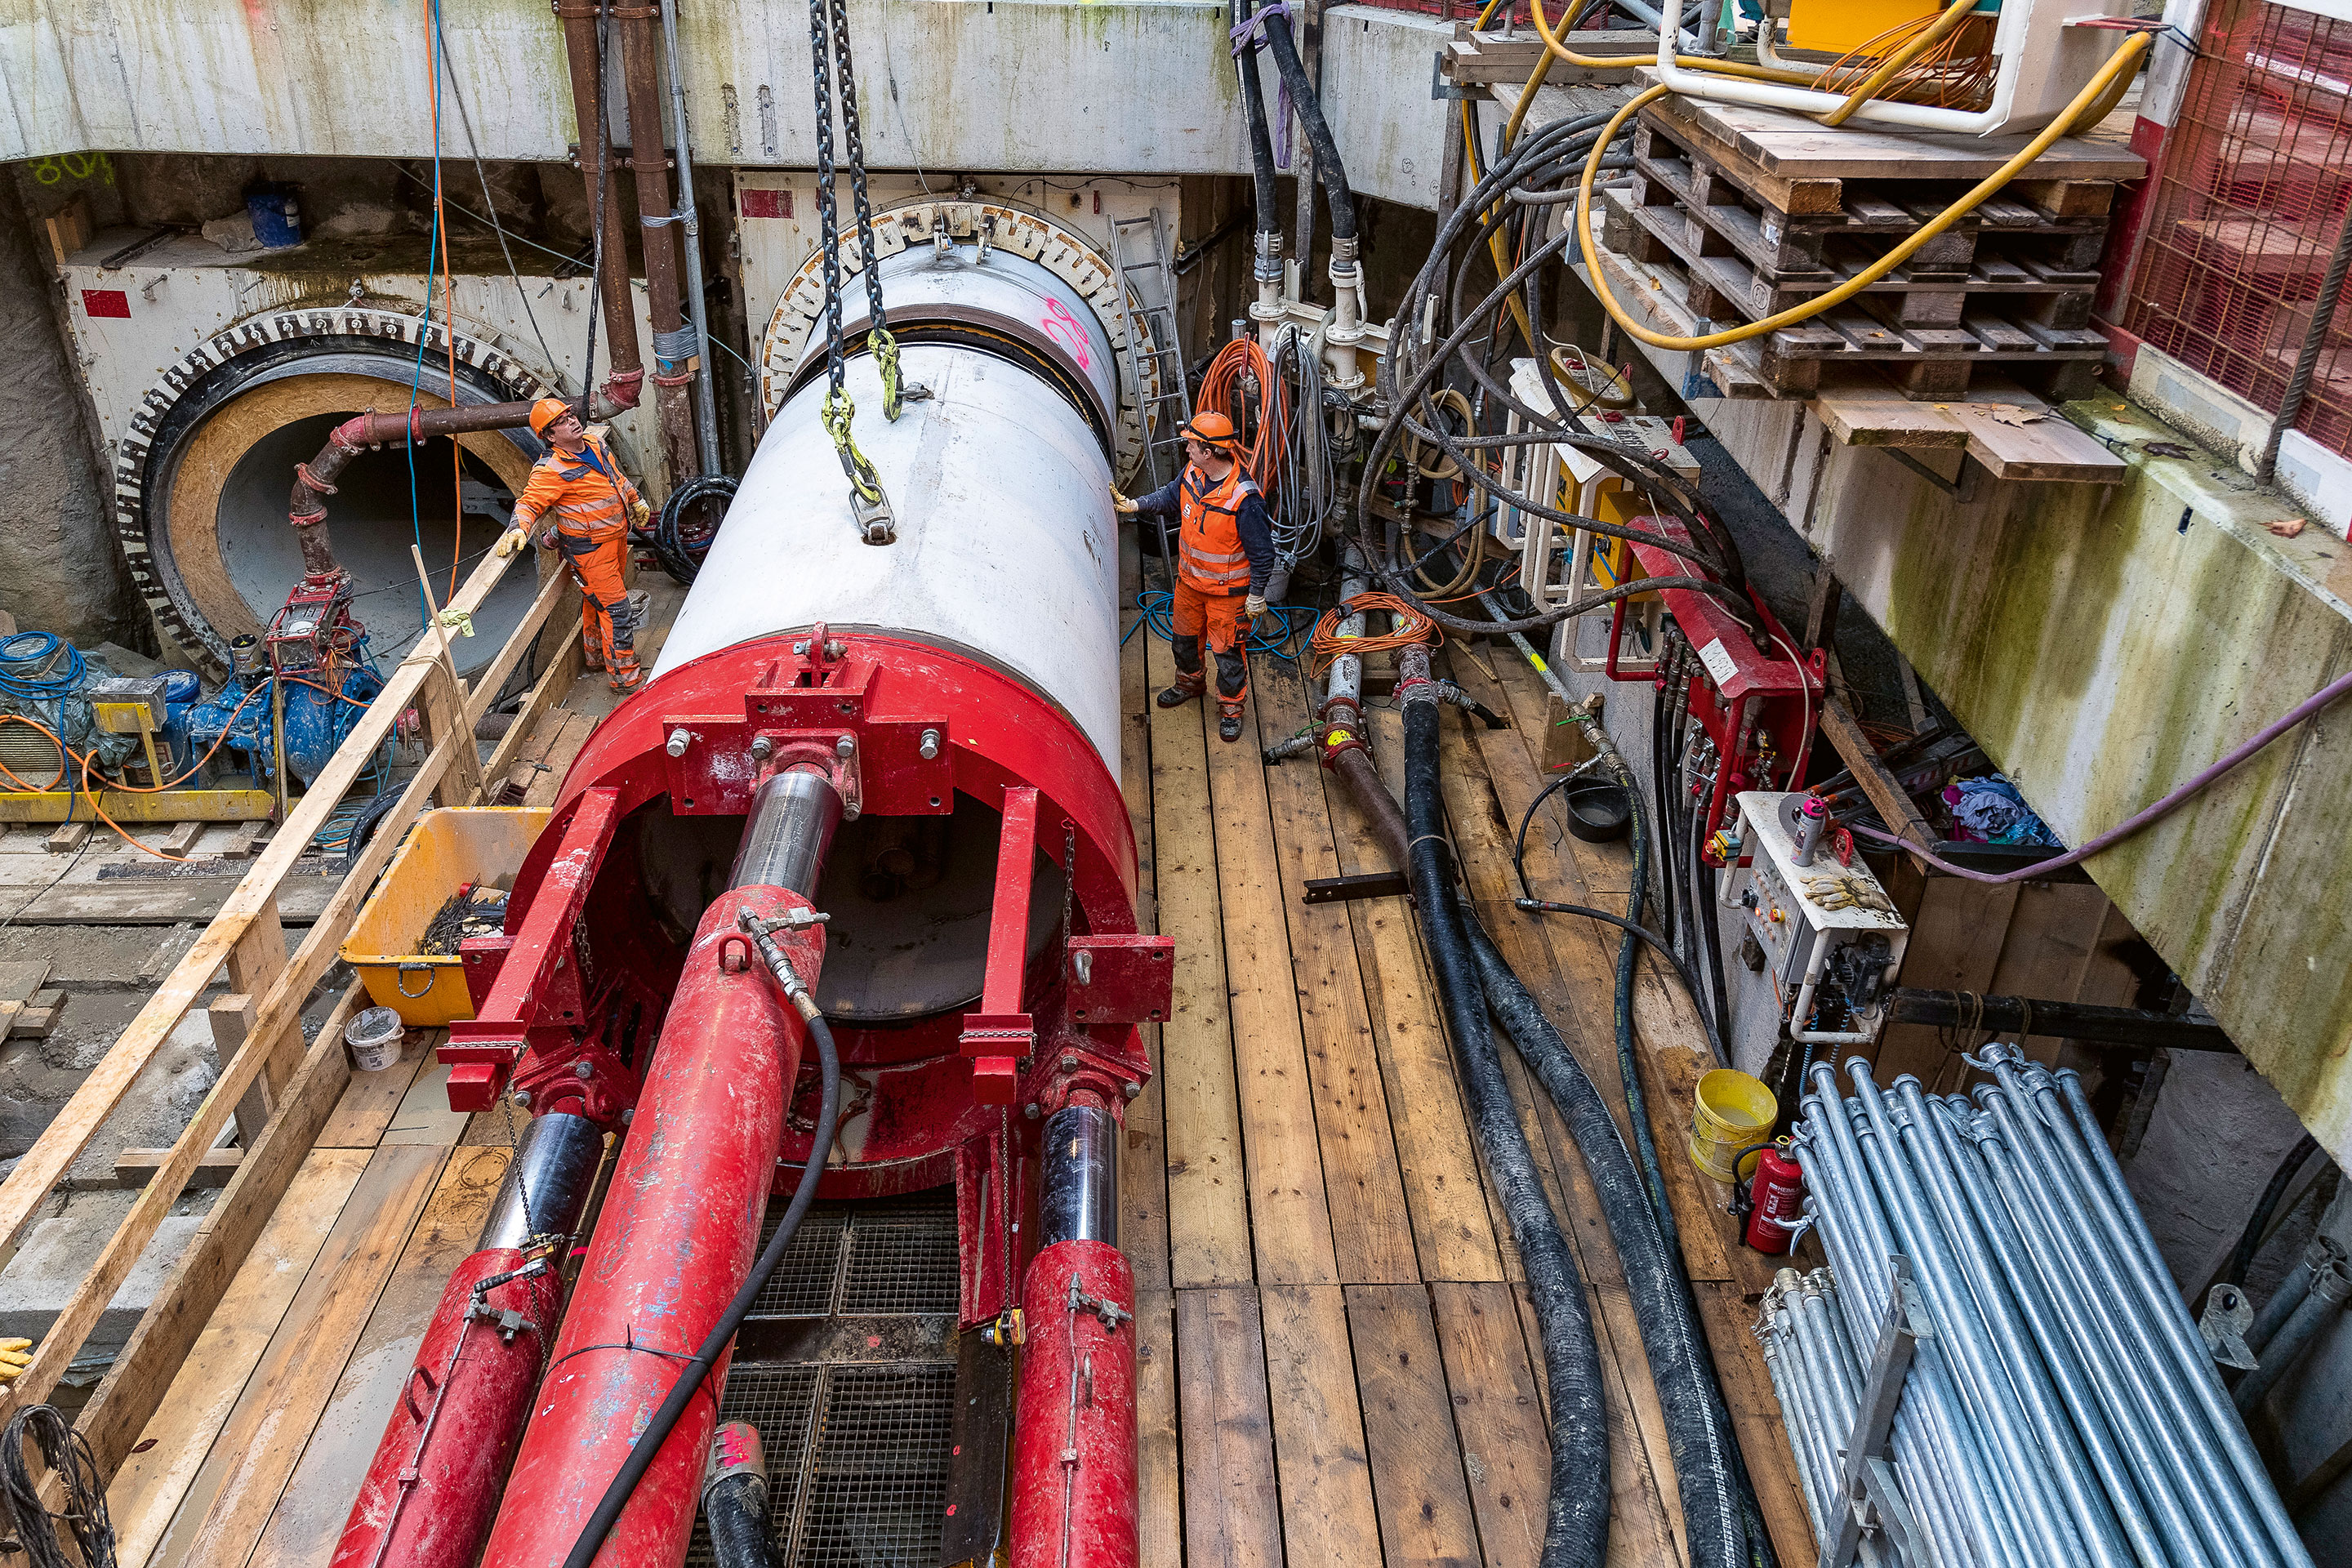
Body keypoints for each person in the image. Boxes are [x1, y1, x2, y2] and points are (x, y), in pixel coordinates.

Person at [1113, 411, 1273, 743]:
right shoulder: (1193, 473)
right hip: (1189, 585)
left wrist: (1257, 594)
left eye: (1191, 445)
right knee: (1183, 641)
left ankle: (1231, 708)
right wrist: (1135, 505)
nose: (1186, 450)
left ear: (1210, 451)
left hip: (1226, 595)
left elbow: (1263, 554)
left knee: (1227, 653)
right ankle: (1190, 683)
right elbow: (1170, 498)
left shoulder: (1244, 499)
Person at [495, 398, 653, 694]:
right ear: (550, 436)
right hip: (590, 551)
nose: (572, 421)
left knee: (598, 604)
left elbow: (616, 479)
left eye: (570, 415)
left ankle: (595, 658)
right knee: (617, 610)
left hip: (615, 540)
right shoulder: (550, 470)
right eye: (562, 421)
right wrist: (518, 529)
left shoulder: (595, 444)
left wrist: (635, 500)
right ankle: (626, 680)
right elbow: (529, 503)